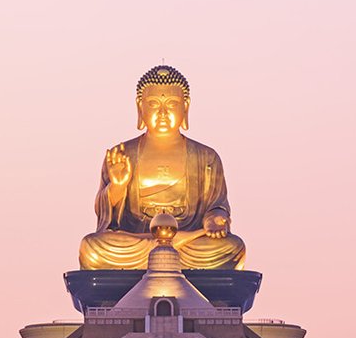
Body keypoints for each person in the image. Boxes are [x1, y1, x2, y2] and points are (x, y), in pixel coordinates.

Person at [79, 65, 246, 270]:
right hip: (140, 240)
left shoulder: (206, 157)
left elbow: (217, 205)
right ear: (140, 107)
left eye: (172, 104)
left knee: (233, 247)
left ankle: (166, 252)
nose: (163, 113)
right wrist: (118, 186)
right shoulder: (122, 154)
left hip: (189, 242)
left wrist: (215, 219)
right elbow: (105, 214)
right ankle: (163, 251)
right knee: (91, 247)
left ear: (186, 107)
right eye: (153, 104)